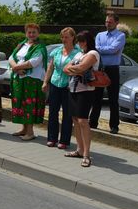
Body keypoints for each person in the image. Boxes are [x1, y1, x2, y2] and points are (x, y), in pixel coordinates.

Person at [63, 31, 100, 168]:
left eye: (83, 41)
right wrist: (76, 69)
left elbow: (83, 67)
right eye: (79, 41)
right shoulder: (79, 54)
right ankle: (79, 150)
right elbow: (65, 68)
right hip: (73, 89)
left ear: (89, 41)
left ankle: (86, 154)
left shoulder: (93, 54)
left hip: (86, 91)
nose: (80, 43)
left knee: (83, 121)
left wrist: (75, 69)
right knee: (75, 120)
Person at [8, 23, 48, 141]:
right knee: (20, 102)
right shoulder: (21, 45)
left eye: (34, 32)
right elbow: (11, 57)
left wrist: (16, 68)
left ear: (38, 33)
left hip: (32, 79)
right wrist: (17, 68)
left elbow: (34, 62)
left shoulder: (40, 47)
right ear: (26, 33)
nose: (31, 34)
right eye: (29, 32)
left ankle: (30, 132)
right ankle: (24, 129)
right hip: (19, 77)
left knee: (29, 104)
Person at [42, 27, 80, 149]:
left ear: (73, 38)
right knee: (53, 112)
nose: (64, 39)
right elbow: (50, 67)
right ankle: (52, 138)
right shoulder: (57, 51)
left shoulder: (78, 53)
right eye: (62, 37)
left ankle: (64, 140)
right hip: (55, 83)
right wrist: (45, 82)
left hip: (68, 86)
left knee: (67, 114)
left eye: (66, 37)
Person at [90, 12, 126, 134]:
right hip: (100, 68)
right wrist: (106, 50)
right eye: (106, 21)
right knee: (96, 97)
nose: (107, 24)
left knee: (113, 99)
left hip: (113, 69)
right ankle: (93, 122)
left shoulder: (120, 36)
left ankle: (114, 126)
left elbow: (113, 49)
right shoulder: (100, 35)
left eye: (110, 22)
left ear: (116, 23)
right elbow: (97, 48)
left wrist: (102, 49)